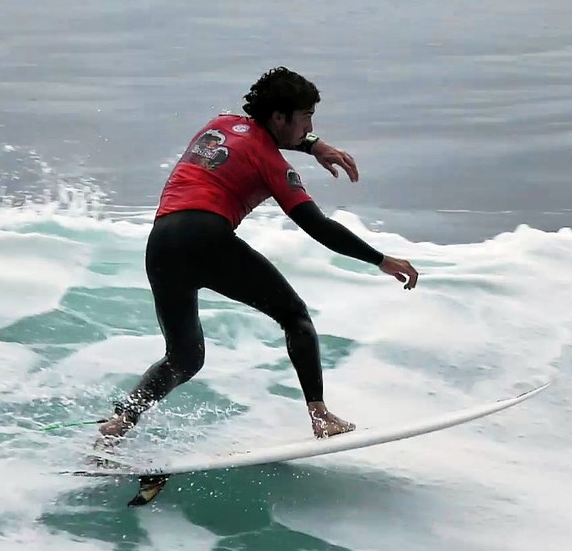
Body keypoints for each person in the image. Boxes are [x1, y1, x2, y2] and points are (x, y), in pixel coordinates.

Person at [96, 67, 419, 449]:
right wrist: (381, 260)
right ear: (279, 117)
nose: (309, 127)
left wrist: (315, 144)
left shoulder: (220, 123)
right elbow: (317, 227)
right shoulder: (273, 165)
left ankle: (121, 420)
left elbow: (270, 136)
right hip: (206, 237)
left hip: (162, 242)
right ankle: (320, 414)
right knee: (295, 316)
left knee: (184, 358)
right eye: (306, 119)